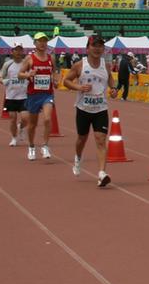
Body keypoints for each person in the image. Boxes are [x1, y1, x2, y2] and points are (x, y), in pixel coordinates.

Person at [60, 34, 118, 187]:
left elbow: (110, 78)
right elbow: (65, 81)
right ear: (88, 48)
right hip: (83, 109)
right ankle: (78, 157)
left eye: (100, 46)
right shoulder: (80, 65)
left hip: (100, 109)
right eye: (94, 45)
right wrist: (79, 87)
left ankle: (101, 173)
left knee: (100, 139)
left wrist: (113, 88)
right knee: (81, 139)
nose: (97, 49)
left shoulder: (105, 65)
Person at [17, 32, 56, 161]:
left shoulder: (51, 58)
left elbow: (55, 72)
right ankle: (31, 146)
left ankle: (45, 146)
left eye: (44, 41)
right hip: (33, 95)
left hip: (47, 94)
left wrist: (55, 80)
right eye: (40, 41)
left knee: (47, 119)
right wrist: (29, 75)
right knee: (32, 124)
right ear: (35, 43)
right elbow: (20, 74)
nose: (42, 43)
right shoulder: (30, 58)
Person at [1, 44, 30, 146]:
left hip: (24, 96)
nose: (18, 52)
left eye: (20, 50)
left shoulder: (26, 64)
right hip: (11, 96)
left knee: (26, 118)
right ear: (12, 52)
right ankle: (14, 138)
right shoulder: (7, 64)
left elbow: (31, 75)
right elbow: (0, 76)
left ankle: (21, 127)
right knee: (12, 118)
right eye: (16, 50)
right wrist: (3, 81)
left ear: (23, 52)